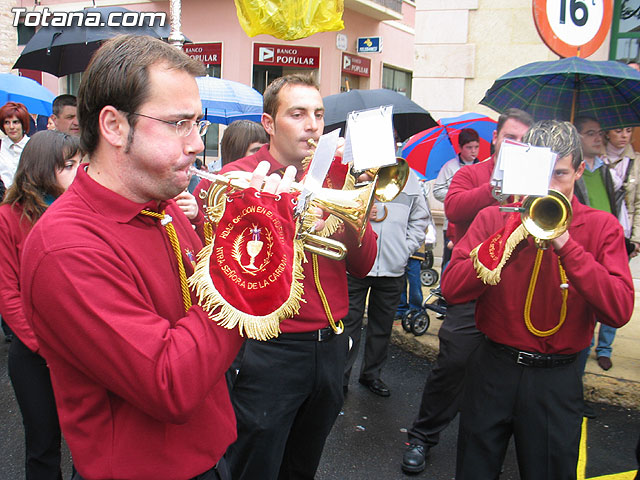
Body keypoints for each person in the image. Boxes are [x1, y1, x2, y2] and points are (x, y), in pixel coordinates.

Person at [20, 34, 296, 480]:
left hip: (209, 453)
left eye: (198, 125)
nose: (195, 144)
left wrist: (261, 241)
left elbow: (204, 309)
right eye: (177, 124)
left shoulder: (163, 205)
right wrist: (242, 262)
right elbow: (170, 383)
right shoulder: (65, 247)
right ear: (113, 126)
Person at [209, 74, 377, 480]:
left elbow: (364, 263)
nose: (313, 125)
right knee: (255, 464)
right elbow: (230, 267)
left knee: (303, 464)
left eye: (318, 114)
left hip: (331, 346)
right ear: (269, 123)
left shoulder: (338, 175)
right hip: (270, 349)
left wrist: (354, 200)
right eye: (298, 114)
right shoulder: (241, 176)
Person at [444, 120, 633, 479]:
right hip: (494, 367)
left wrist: (565, 244)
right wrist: (509, 237)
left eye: (560, 174)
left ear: (579, 170)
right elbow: (453, 289)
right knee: (474, 469)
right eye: (539, 175)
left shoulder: (602, 226)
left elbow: (619, 310)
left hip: (557, 378)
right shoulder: (494, 218)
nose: (548, 187)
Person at [401, 108, 533, 474]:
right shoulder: (471, 173)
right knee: (454, 364)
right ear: (496, 139)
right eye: (510, 138)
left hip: (517, 291)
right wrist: (494, 189)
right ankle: (422, 436)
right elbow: (455, 208)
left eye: (524, 140)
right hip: (473, 286)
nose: (516, 145)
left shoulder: (539, 180)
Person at [0, 130, 82, 480]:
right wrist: (43, 346)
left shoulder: (83, 209)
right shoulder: (9, 217)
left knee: (88, 446)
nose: (78, 172)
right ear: (41, 168)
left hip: (83, 351)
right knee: (43, 446)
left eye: (80, 163)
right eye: (68, 165)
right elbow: (8, 293)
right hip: (36, 355)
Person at [343, 169, 429, 397]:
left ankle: (372, 375)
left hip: (393, 266)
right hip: (357, 263)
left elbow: (420, 217)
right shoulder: (354, 173)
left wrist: (405, 249)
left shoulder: (407, 177)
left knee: (381, 327)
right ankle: (341, 377)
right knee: (349, 325)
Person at [591, 125, 640, 370]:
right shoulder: (593, 160)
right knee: (590, 286)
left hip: (623, 234)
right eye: (619, 130)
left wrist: (637, 238)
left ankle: (605, 347)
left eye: (628, 131)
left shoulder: (635, 162)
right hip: (597, 234)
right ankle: (586, 340)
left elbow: (639, 202)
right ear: (607, 133)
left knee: (615, 288)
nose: (624, 135)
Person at [433, 128, 480, 271]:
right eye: (469, 147)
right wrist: (459, 197)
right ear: (460, 148)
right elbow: (437, 191)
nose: (473, 151)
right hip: (452, 225)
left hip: (475, 223)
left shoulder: (481, 167)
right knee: (450, 261)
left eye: (476, 147)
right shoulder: (449, 167)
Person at [0, 101, 31, 188]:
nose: (11, 127)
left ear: (23, 124)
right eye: (7, 122)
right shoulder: (1, 146)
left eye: (15, 122)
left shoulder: (33, 145)